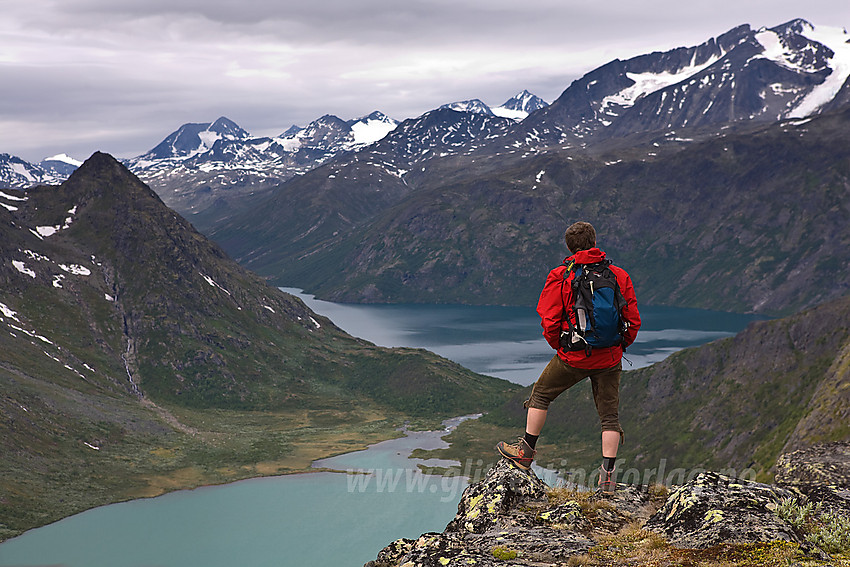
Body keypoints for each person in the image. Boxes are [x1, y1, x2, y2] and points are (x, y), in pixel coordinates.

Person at [496, 221, 641, 493]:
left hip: (573, 356)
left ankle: (525, 454)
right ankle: (607, 478)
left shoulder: (561, 275)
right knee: (609, 417)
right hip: (609, 357)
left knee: (541, 395)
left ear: (569, 247)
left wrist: (561, 347)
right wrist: (619, 348)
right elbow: (632, 320)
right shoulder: (618, 275)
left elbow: (550, 320)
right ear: (594, 241)